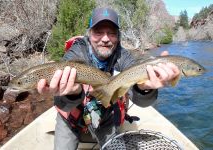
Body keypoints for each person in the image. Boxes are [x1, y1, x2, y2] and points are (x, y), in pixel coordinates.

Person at [37, 7, 180, 150]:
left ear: (118, 37)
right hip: (71, 118)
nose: (105, 39)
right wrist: (72, 93)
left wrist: (143, 88)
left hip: (105, 117)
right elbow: (62, 105)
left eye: (111, 33)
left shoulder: (123, 56)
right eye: (98, 32)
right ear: (89, 34)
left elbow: (140, 99)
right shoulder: (76, 52)